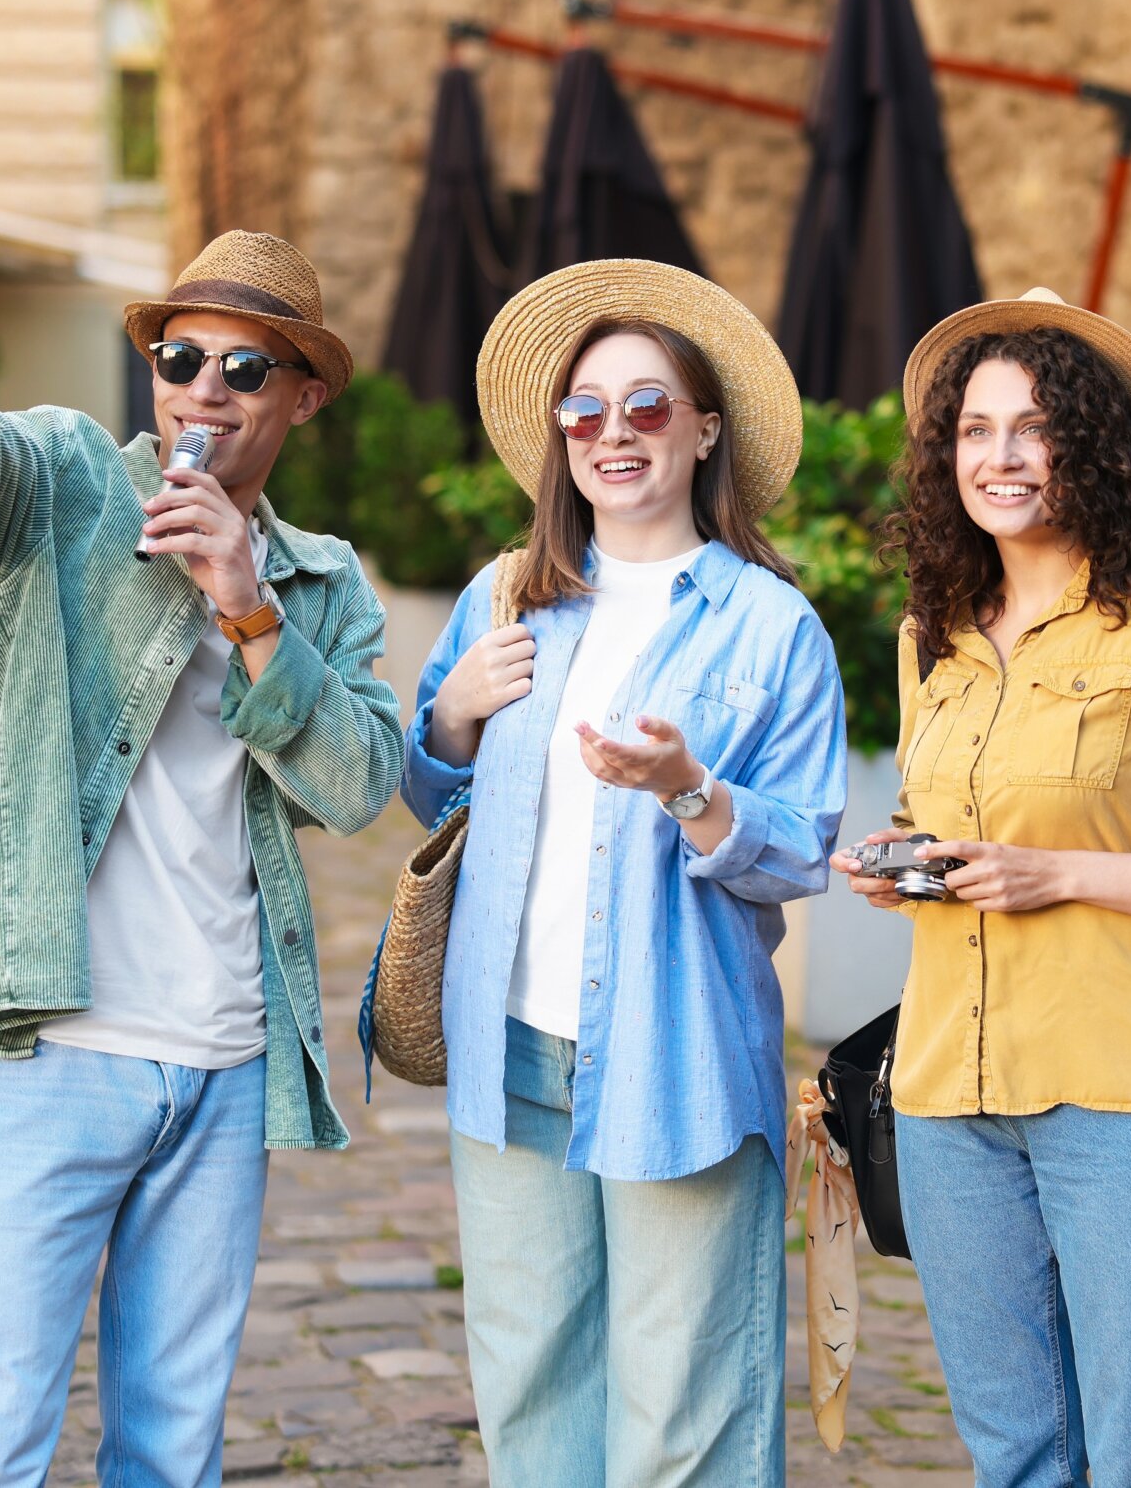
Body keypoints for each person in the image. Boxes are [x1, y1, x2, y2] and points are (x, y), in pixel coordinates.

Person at [0, 231, 404, 1486]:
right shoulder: (68, 479)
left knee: (172, 1454)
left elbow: (359, 786)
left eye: (245, 367)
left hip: (225, 1064)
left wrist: (249, 602)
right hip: (52, 1049)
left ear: (302, 395)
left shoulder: (322, 583)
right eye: (182, 358)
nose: (205, 391)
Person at [833, 288, 1131, 1488]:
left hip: (1124, 1099)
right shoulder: (930, 628)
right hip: (947, 1099)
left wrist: (1065, 875)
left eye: (1030, 427)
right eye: (975, 429)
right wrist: (902, 865)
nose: (999, 456)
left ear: (1083, 444)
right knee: (1016, 1453)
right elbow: (950, 819)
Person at [405, 259, 845, 1486]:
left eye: (647, 406)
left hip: (680, 1052)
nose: (613, 432)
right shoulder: (508, 597)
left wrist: (688, 791)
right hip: (510, 1047)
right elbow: (428, 791)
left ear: (704, 431)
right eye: (584, 409)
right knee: (532, 1381)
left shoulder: (770, 625)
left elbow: (802, 849)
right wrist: (448, 721)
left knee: (683, 1410)